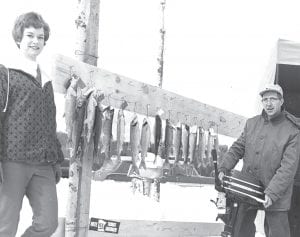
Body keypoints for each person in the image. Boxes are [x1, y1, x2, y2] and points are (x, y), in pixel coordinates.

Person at [0, 12, 64, 237]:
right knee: (4, 226)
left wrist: (55, 161)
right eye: (30, 35)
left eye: (40, 36)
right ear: (19, 38)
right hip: (11, 160)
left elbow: (50, 122)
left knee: (48, 223)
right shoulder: (5, 72)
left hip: (43, 163)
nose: (36, 41)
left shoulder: (46, 80)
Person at [218, 84, 300, 237]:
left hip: (276, 192)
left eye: (273, 99)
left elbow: (288, 168)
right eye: (265, 99)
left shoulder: (292, 130)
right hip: (247, 187)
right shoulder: (252, 123)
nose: (268, 104)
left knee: (278, 233)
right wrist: (223, 168)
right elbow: (238, 148)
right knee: (239, 230)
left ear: (281, 101)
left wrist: (272, 193)